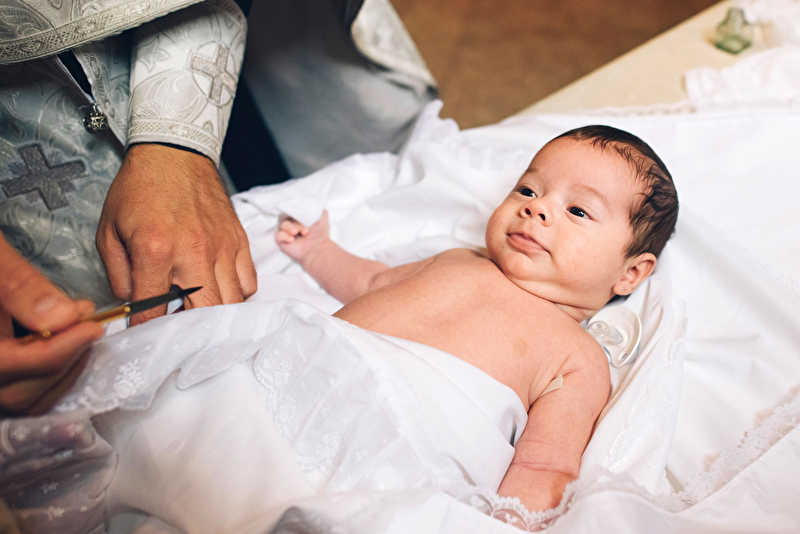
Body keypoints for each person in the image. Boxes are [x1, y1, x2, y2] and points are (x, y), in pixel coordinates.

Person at [275, 125, 679, 513]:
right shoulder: (457, 259)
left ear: (630, 273)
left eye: (577, 210)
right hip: (304, 367)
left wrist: (513, 520)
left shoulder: (579, 357)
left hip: (401, 440)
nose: (536, 207)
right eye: (528, 190)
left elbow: (544, 466)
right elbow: (371, 281)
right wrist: (316, 251)